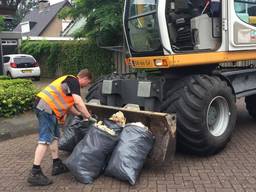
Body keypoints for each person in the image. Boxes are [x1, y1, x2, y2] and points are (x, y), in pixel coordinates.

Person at [27, 69, 96, 186]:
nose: (86, 86)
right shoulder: (73, 80)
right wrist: (88, 117)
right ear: (84, 78)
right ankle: (35, 172)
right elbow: (78, 102)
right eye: (88, 83)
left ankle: (56, 163)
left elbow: (70, 107)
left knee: (54, 137)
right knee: (45, 139)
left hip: (49, 110)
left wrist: (80, 115)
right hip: (46, 108)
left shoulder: (68, 84)